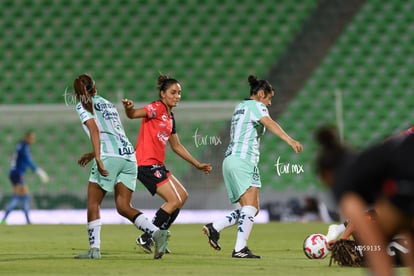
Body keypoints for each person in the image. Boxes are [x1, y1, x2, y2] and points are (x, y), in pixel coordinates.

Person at [202, 75, 303, 258]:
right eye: (269, 98)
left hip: (230, 160)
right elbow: (269, 123)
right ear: (261, 94)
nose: (270, 104)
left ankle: (215, 227)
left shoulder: (240, 107)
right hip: (243, 161)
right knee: (251, 209)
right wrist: (290, 140)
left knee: (250, 209)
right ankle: (238, 248)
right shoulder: (257, 106)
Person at [73, 73, 169, 260]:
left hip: (109, 157)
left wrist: (98, 158)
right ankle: (157, 234)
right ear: (95, 88)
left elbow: (94, 129)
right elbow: (112, 134)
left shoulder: (83, 105)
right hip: (128, 157)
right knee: (124, 206)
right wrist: (93, 154)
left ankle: (94, 250)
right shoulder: (108, 104)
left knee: (93, 203)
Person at [122, 74, 212, 254]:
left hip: (157, 165)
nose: (177, 96)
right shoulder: (156, 107)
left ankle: (155, 236)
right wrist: (129, 109)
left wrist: (197, 164)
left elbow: (176, 146)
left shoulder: (171, 118)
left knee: (182, 197)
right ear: (163, 94)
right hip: (145, 164)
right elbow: (133, 114)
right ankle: (148, 237)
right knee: (173, 200)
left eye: (179, 93)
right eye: (173, 92)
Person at [315, 125, 414, 275]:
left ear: (325, 176)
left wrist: (345, 239)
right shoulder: (368, 162)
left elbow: (364, 222)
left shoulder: (343, 181)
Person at [1, 130, 49, 225]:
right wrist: (38, 171)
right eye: (31, 138)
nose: (33, 140)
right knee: (18, 196)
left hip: (13, 173)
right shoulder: (24, 147)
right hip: (17, 173)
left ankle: (26, 220)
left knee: (24, 195)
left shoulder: (20, 145)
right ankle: (5, 219)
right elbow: (28, 161)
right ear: (27, 137)